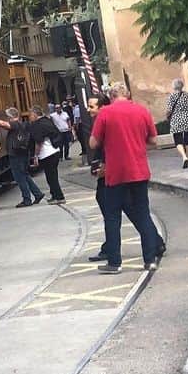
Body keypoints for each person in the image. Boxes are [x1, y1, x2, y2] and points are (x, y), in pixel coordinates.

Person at [88, 83, 162, 273]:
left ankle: (114, 262)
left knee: (112, 218)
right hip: (139, 170)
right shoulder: (142, 110)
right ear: (127, 94)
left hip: (116, 173)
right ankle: (150, 260)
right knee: (143, 214)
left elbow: (93, 143)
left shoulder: (105, 113)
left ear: (111, 96)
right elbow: (154, 141)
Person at [78, 94, 111, 263]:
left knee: (113, 213)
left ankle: (110, 250)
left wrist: (104, 166)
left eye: (92, 106)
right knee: (128, 210)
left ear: (102, 107)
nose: (88, 109)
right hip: (107, 173)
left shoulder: (104, 122)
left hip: (109, 174)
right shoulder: (99, 121)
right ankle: (155, 242)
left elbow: (102, 145)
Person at [28, 107, 65, 204]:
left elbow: (38, 142)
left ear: (35, 114)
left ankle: (59, 197)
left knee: (51, 177)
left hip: (47, 154)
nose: (29, 117)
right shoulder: (47, 120)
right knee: (52, 176)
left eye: (30, 115)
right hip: (55, 150)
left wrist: (35, 156)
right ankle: (54, 195)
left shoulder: (37, 125)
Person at [166, 79, 188, 169]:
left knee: (178, 139)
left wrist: (167, 116)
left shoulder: (171, 96)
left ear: (173, 86)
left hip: (176, 120)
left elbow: (169, 110)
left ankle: (184, 157)